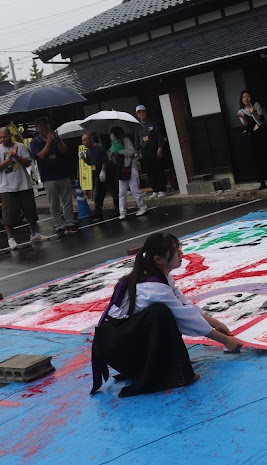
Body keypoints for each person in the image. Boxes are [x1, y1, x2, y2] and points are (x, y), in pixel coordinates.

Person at [90, 232, 242, 397]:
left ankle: (148, 366)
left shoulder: (158, 276)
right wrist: (225, 341)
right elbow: (185, 317)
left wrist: (213, 321)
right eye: (176, 250)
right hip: (116, 346)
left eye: (179, 248)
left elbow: (183, 303)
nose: (181, 253)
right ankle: (163, 375)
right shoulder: (153, 287)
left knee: (162, 313)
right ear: (158, 259)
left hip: (121, 339)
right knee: (160, 315)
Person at [29, 117, 77, 237]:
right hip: (48, 177)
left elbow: (64, 150)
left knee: (67, 201)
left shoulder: (55, 138)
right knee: (54, 203)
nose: (45, 128)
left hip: (62, 173)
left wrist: (58, 140)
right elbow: (40, 155)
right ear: (37, 129)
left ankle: (70, 223)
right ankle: (59, 226)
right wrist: (49, 142)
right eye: (42, 126)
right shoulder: (35, 142)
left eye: (46, 125)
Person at [0, 127, 45, 249]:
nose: (3, 139)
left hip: (24, 184)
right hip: (7, 187)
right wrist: (9, 159)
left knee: (30, 210)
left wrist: (16, 157)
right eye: (1, 137)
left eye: (5, 136)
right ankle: (11, 239)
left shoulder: (20, 146)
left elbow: (27, 163)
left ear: (10, 135)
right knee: (9, 214)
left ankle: (34, 233)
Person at [236, 90, 267, 190]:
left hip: (262, 132)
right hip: (253, 135)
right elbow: (246, 125)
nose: (246, 99)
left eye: (248, 97)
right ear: (241, 100)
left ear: (251, 97)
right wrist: (243, 117)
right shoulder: (241, 111)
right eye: (244, 97)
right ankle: (262, 182)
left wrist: (253, 112)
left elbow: (261, 119)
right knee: (257, 158)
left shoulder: (256, 105)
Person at [109, 126, 147, 220]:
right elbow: (112, 157)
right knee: (121, 192)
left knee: (135, 190)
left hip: (130, 167)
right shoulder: (114, 144)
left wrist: (121, 151)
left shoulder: (125, 140)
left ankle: (142, 207)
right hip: (121, 169)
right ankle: (122, 211)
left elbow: (131, 152)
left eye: (112, 134)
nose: (111, 136)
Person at [80, 132, 118, 221]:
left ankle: (118, 210)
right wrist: (83, 158)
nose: (84, 143)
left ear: (91, 139)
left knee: (113, 192)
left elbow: (105, 160)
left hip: (106, 174)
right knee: (98, 195)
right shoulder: (88, 151)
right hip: (97, 175)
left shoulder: (99, 148)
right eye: (82, 141)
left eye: (85, 140)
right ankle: (98, 213)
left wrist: (103, 171)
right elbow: (90, 163)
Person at [134, 104, 168, 198]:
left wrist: (160, 147)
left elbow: (160, 136)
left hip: (155, 149)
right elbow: (137, 140)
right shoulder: (137, 126)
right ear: (137, 114)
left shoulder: (153, 123)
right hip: (144, 152)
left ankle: (162, 189)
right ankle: (155, 189)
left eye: (142, 112)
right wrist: (137, 151)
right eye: (139, 113)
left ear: (146, 112)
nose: (141, 114)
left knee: (158, 169)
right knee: (149, 171)